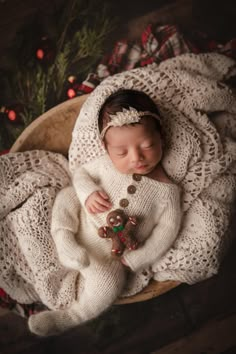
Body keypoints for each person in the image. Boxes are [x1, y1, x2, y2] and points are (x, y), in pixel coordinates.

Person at [28, 89, 182, 336]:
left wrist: (137, 259)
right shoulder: (104, 165)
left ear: (161, 137)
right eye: (122, 152)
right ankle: (64, 241)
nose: (136, 158)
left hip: (109, 258)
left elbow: (167, 231)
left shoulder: (168, 193)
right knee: (67, 197)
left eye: (147, 145)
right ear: (106, 148)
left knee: (111, 283)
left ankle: (70, 316)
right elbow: (80, 174)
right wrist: (88, 192)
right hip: (82, 224)